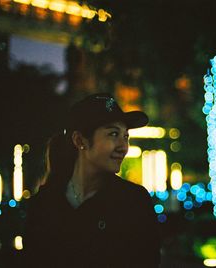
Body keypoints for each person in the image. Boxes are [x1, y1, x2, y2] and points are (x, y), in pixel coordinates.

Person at [23, 93, 161, 267]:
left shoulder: (134, 202)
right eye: (113, 134)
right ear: (80, 140)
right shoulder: (44, 204)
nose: (123, 147)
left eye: (126, 137)